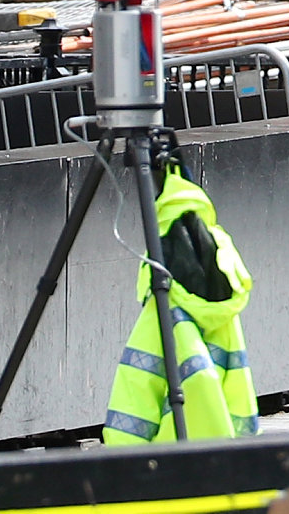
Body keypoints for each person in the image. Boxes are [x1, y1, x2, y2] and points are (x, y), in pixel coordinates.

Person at [102, 150, 262, 443]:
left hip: (167, 468)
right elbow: (242, 397)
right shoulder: (225, 293)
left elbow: (136, 392)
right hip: (223, 457)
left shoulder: (165, 299)